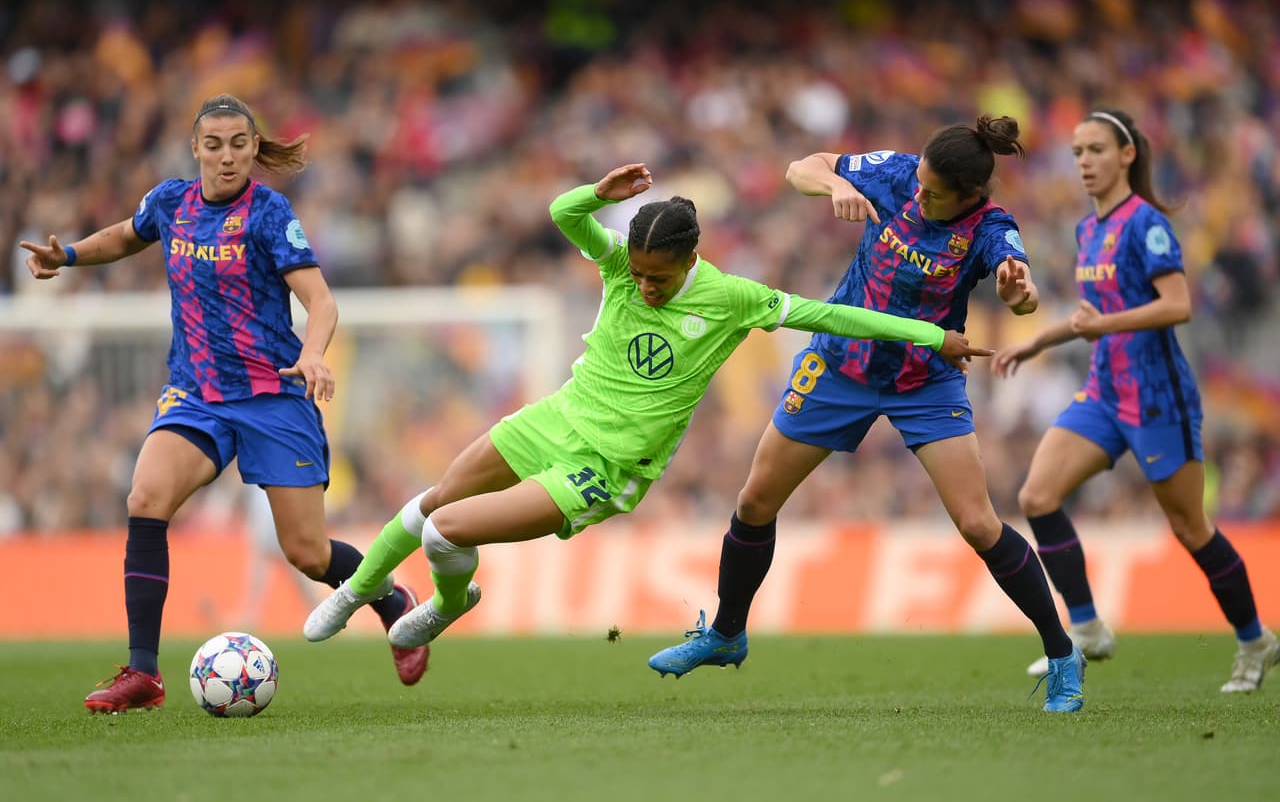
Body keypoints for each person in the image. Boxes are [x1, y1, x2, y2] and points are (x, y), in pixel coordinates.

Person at [300, 162, 989, 665]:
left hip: (606, 466)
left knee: (445, 533)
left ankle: (449, 603)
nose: (645, 285)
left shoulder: (732, 298)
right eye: (637, 272)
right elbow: (563, 216)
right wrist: (597, 195)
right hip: (558, 415)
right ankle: (357, 590)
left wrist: (932, 337)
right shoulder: (621, 268)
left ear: (691, 260)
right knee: (435, 499)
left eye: (658, 277)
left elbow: (834, 314)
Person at [647, 116, 1088, 712]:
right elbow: (801, 167)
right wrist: (836, 185)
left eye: (934, 194)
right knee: (754, 502)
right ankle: (726, 634)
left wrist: (1018, 291)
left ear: (970, 195)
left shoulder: (991, 228)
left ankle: (1062, 653)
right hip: (839, 365)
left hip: (923, 381)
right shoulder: (897, 173)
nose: (919, 196)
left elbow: (1022, 292)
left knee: (979, 524)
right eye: (920, 184)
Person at [19, 93, 428, 713]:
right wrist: (70, 255)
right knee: (145, 499)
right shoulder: (169, 203)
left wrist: (313, 353)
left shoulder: (268, 212)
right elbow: (126, 236)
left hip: (273, 393)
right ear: (196, 149)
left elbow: (321, 301)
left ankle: (392, 601)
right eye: (214, 145)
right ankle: (143, 672)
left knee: (307, 553)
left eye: (239, 144)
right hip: (197, 394)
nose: (227, 156)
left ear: (254, 147)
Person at [991, 108, 1279, 692]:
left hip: (1156, 397)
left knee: (1190, 526)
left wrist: (1104, 325)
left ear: (1127, 155)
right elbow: (1093, 316)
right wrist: (1039, 341)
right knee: (1037, 495)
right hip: (1104, 389)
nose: (1083, 162)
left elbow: (1178, 305)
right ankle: (1087, 627)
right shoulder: (1087, 229)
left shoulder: (1147, 224)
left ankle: (1255, 639)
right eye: (1077, 152)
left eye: (1096, 150)